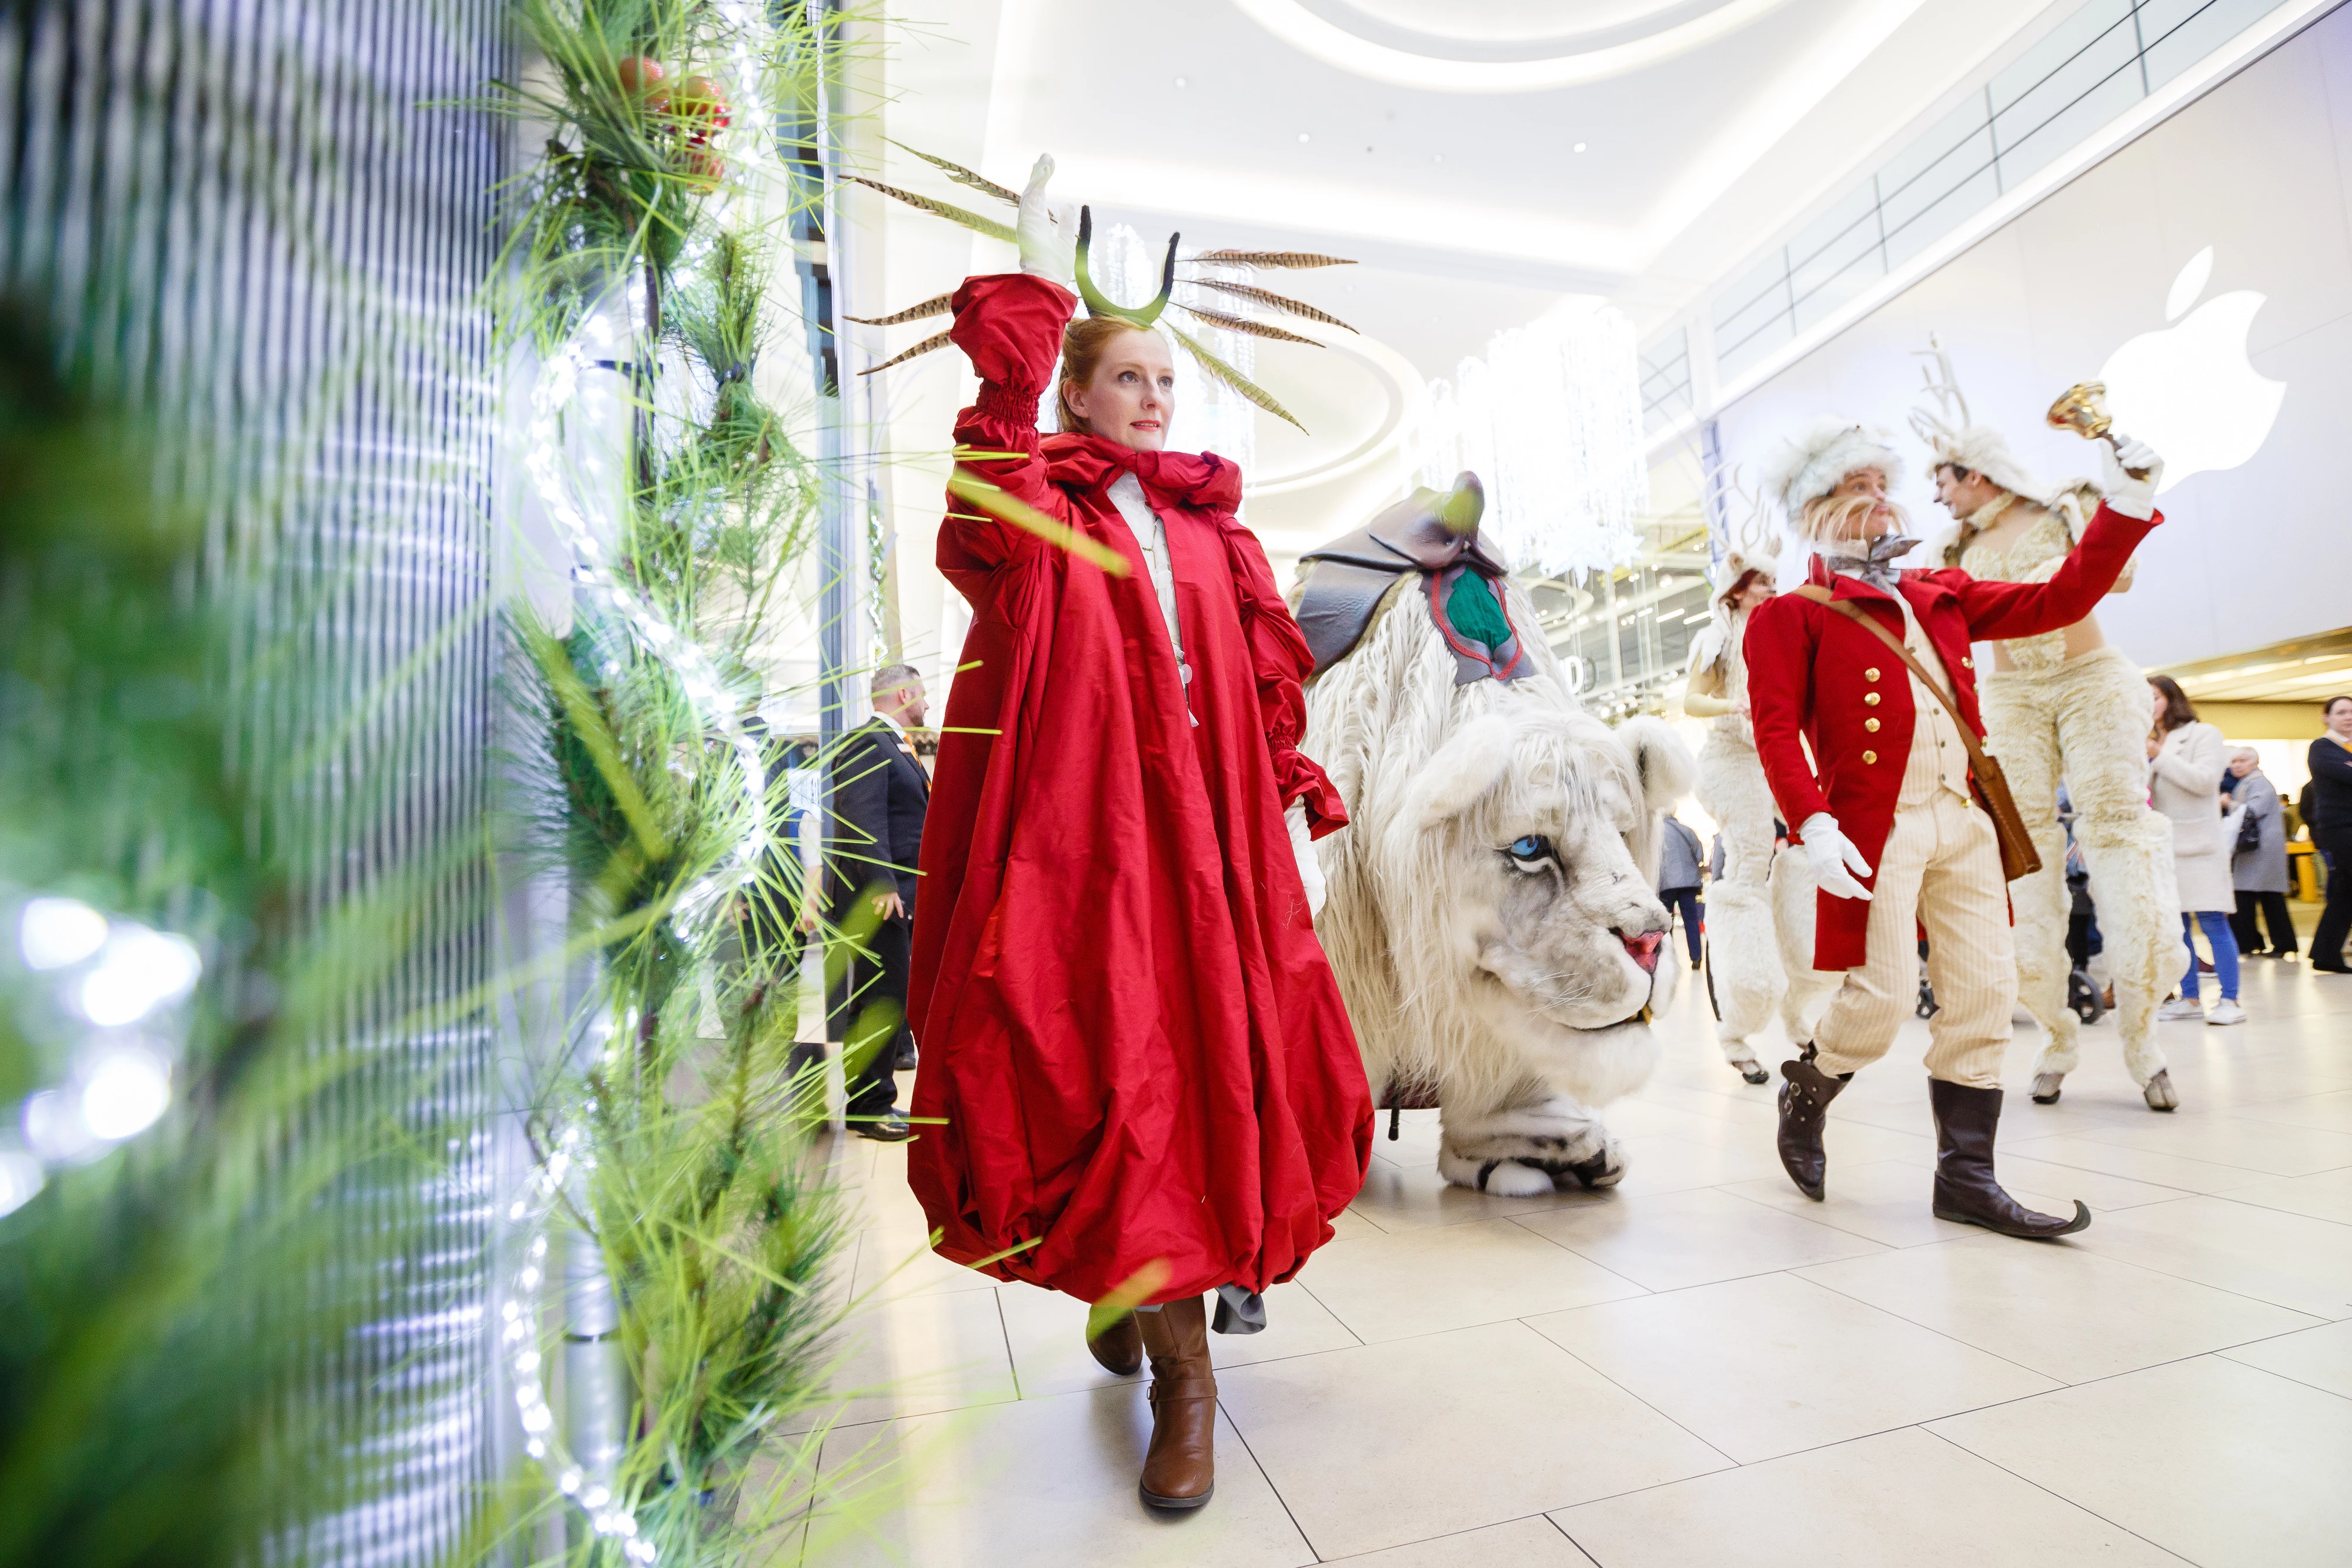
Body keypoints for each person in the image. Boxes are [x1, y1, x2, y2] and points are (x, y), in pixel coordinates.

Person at [904, 156, 1370, 1512]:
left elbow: (1260, 685)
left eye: (1166, 382)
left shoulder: (1212, 532)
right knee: (1095, 1067)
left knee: (1205, 1078)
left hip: (1216, 856)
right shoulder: (1034, 504)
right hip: (1087, 849)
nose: (1154, 400)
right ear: (1074, 389)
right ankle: (1163, 1336)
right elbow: (984, 493)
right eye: (1126, 379)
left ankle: (1178, 1356)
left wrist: (1289, 805)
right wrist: (1033, 299)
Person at [1745, 416, 2163, 1238]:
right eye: (1852, 487)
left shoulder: (1941, 589)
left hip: (1964, 816)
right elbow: (1773, 729)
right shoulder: (1790, 613)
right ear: (1813, 512)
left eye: (1879, 484)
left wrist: (2125, 501)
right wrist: (1814, 824)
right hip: (1875, 826)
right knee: (1886, 994)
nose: (1876, 499)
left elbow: (2060, 597)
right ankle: (1812, 1081)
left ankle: (1966, 1178)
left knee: (1983, 993)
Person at [1919, 402, 2179, 1110]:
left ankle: (2143, 1035)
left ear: (1971, 472)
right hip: (2010, 700)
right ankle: (2055, 1032)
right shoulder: (1948, 548)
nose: (1935, 492)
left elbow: (2114, 575)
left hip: (2090, 681)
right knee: (2022, 851)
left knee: (2118, 832)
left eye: (1940, 477)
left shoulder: (2064, 510)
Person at [1684, 537, 1834, 1083]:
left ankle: (1800, 1004)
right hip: (1732, 756)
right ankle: (1740, 1021)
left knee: (1800, 857)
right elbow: (1691, 700)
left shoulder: (1780, 632)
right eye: (1764, 582)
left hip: (1775, 752)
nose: (1773, 588)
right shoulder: (1716, 639)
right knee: (1750, 860)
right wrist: (1733, 704)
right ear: (1740, 590)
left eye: (1774, 580)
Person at [822, 664, 933, 1138]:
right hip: (876, 898)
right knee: (877, 1001)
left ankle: (878, 1098)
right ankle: (869, 1106)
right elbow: (864, 821)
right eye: (923, 695)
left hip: (896, 897)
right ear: (904, 692)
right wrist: (884, 883)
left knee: (889, 996)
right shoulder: (867, 741)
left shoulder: (896, 746)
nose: (926, 705)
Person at [2147, 677, 2243, 1027]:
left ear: (2171, 699)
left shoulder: (2204, 734)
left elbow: (2204, 781)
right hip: (2162, 848)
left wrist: (2158, 757)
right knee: (2177, 928)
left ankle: (2230, 1000)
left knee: (2213, 920)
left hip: (2198, 845)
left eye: (2154, 696)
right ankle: (2189, 998)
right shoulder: (2148, 741)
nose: (2148, 703)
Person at [2227, 748, 2297, 960]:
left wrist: (2227, 803)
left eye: (2242, 761)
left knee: (2251, 896)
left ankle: (2253, 944)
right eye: (2233, 761)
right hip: (2256, 851)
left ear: (2255, 763)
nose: (2236, 765)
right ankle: (2264, 943)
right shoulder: (2249, 782)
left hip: (2261, 851)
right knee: (2262, 896)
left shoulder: (2258, 783)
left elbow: (2252, 811)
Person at [2311, 694, 2352, 971]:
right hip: (2341, 829)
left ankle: (2325, 953)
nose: (2348, 717)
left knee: (2344, 892)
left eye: (2351, 712)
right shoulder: (2322, 747)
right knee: (2344, 890)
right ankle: (2325, 953)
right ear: (2327, 717)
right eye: (2341, 713)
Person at [1657, 810, 1706, 971]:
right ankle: (1696, 958)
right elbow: (1700, 855)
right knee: (1691, 921)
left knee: (1666, 921)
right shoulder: (1686, 830)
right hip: (1688, 883)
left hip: (1666, 884)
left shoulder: (1657, 833)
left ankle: (1668, 958)